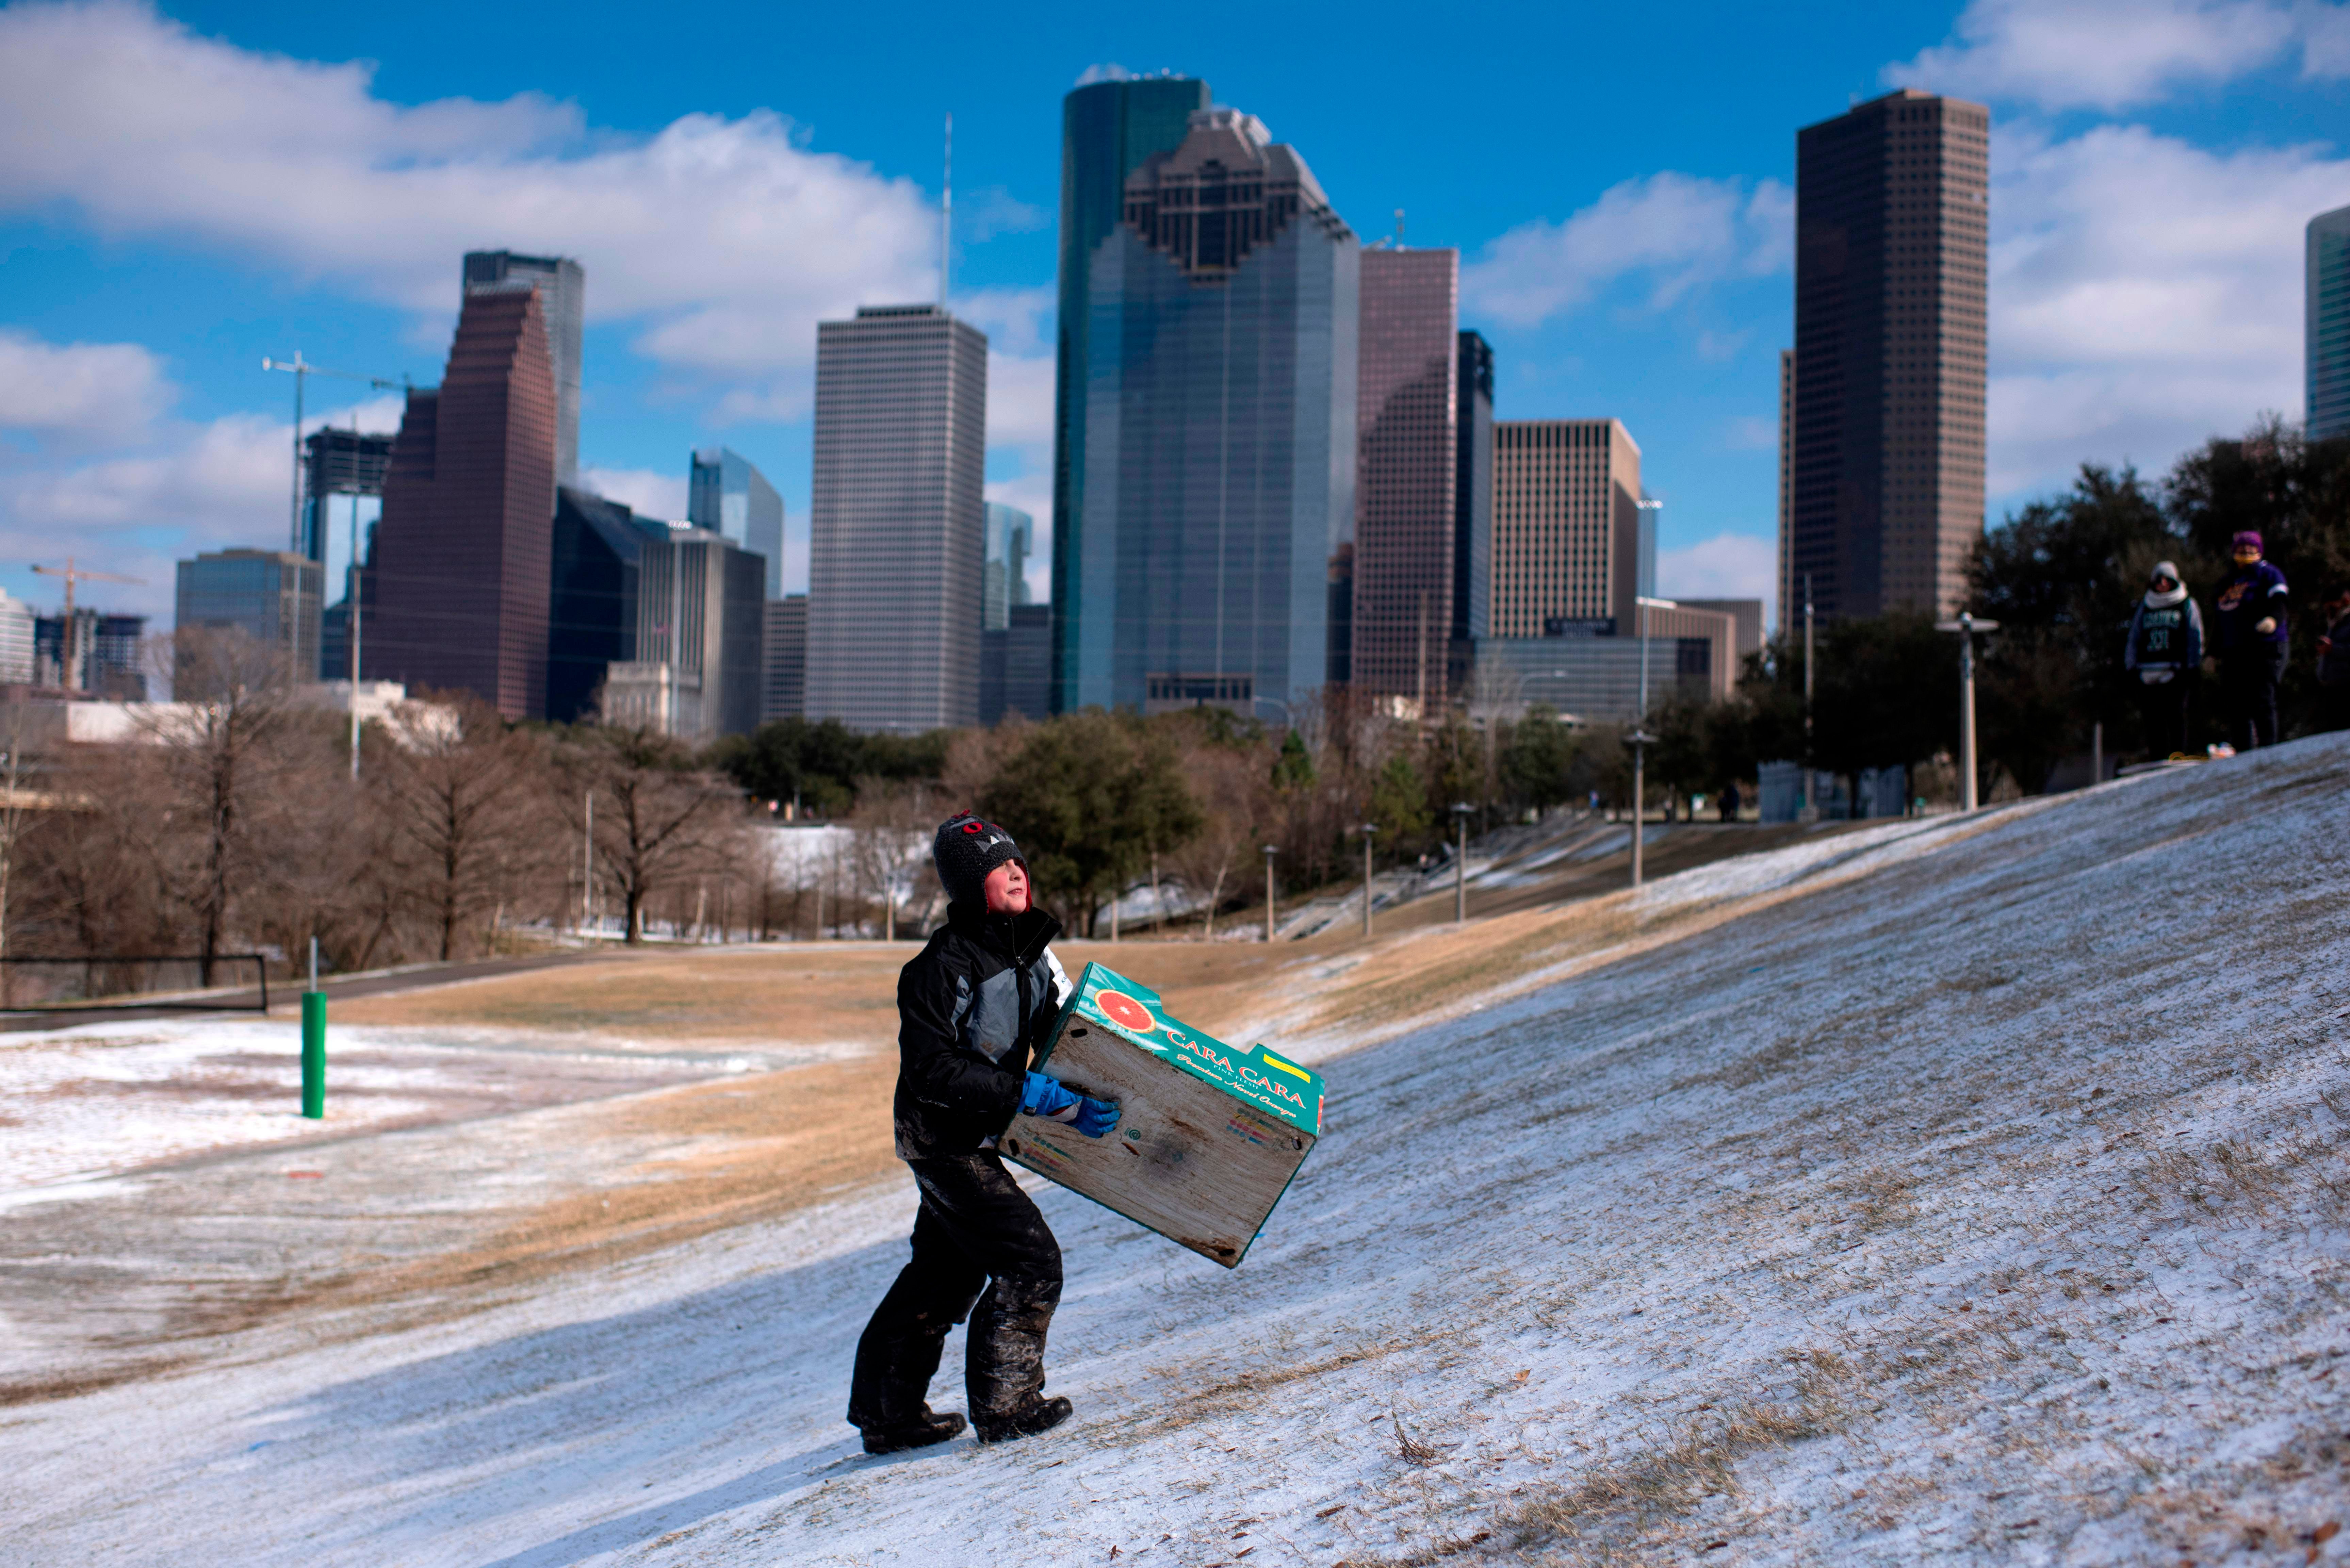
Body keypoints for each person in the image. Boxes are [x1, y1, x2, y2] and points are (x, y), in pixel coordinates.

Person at [846, 812, 1120, 1454]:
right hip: (943, 1137)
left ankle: (888, 1413)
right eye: (999, 866)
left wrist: (1093, 1085)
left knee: (942, 1276)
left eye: (1018, 860)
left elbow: (1062, 1035)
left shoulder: (1029, 953)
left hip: (974, 1132)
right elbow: (931, 1066)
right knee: (1029, 1259)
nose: (1017, 870)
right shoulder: (941, 966)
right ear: (971, 887)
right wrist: (1029, 1093)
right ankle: (1008, 1404)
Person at [2213, 531, 2289, 750]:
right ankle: (2243, 754)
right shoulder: (2227, 582)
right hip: (2235, 650)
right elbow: (2221, 619)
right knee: (2237, 706)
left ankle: (2268, 749)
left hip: (2266, 646)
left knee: (2263, 698)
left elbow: (2280, 600)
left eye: (2250, 550)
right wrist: (2212, 652)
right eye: (2241, 550)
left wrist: (2273, 620)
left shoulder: (2270, 574)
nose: (2246, 553)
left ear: (2259, 551)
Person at [2122, 560, 2204, 760]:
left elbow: (2195, 634)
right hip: (2147, 671)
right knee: (2152, 718)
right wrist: (2131, 665)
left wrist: (2194, 665)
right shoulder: (2146, 605)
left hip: (2175, 670)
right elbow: (2134, 636)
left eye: (2168, 579)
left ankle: (2178, 754)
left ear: (2175, 581)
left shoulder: (2186, 603)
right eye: (2159, 579)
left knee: (2176, 714)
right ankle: (2157, 756)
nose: (2163, 583)